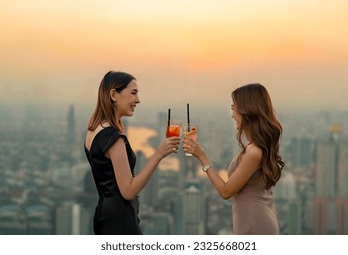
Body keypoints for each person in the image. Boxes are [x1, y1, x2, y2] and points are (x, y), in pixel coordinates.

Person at [84, 71, 180, 235]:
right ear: (114, 94)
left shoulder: (93, 131)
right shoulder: (114, 138)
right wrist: (158, 155)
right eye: (133, 93)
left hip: (103, 215)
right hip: (121, 220)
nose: (138, 100)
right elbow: (128, 191)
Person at [183, 83, 284, 235]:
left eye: (233, 108)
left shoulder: (254, 152)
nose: (232, 115)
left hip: (255, 224)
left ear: (247, 110)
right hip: (256, 219)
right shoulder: (255, 147)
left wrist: (202, 157)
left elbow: (226, 192)